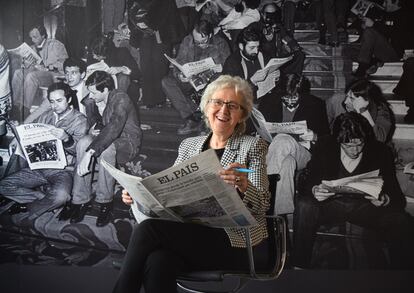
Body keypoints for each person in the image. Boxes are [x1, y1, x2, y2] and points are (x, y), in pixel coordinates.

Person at [112, 75, 271, 293]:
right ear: (206, 108)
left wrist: (245, 187)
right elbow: (168, 199)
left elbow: (263, 205)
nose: (223, 111)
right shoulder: (189, 145)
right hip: (190, 239)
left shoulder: (253, 147)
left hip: (236, 243)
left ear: (242, 114)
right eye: (217, 102)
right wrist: (137, 199)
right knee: (158, 260)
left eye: (232, 105)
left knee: (149, 229)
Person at [293, 112, 414, 269]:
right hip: (330, 205)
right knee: (304, 205)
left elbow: (397, 197)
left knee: (401, 221)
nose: (355, 150)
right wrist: (315, 190)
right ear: (338, 141)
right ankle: (298, 266)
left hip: (365, 207)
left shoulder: (380, 151)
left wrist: (384, 199)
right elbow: (306, 183)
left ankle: (401, 275)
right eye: (348, 146)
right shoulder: (325, 145)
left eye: (360, 144)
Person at [58, 71, 142, 227]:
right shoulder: (90, 101)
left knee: (106, 148)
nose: (90, 96)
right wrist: (91, 131)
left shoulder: (121, 98)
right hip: (105, 137)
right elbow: (94, 124)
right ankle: (80, 199)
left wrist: (90, 153)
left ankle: (105, 201)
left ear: (106, 90)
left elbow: (115, 126)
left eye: (94, 92)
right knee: (83, 142)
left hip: (127, 142)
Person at [0, 82, 88, 224]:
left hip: (63, 171)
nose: (55, 106)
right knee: (3, 185)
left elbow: (80, 153)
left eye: (59, 101)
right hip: (39, 167)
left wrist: (67, 139)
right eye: (52, 102)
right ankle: (43, 197)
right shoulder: (46, 116)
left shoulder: (80, 121)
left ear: (69, 99)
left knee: (61, 196)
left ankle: (30, 206)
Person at [257, 74, 330, 215]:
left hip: (303, 153)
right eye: (285, 97)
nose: (290, 101)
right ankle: (278, 216)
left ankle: (261, 195)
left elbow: (327, 139)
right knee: (287, 163)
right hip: (273, 153)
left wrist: (314, 136)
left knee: (283, 139)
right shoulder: (268, 101)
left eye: (295, 97)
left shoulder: (316, 104)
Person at [161, 19, 231, 135]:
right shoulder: (188, 40)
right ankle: (192, 119)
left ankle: (203, 120)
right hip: (190, 81)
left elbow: (230, 68)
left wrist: (222, 67)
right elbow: (179, 63)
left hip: (210, 83)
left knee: (216, 86)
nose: (198, 44)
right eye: (196, 41)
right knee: (166, 82)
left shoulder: (221, 44)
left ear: (210, 35)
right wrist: (180, 74)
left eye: (202, 41)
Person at [10, 25, 68, 120]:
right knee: (18, 73)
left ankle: (25, 109)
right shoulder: (32, 48)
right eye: (31, 37)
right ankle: (16, 107)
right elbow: (29, 66)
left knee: (32, 76)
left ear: (43, 35)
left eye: (35, 37)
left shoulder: (56, 45)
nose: (33, 40)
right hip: (38, 73)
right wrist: (25, 64)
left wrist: (49, 67)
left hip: (54, 75)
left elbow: (65, 64)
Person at [24, 57, 100, 128]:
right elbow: (40, 110)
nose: (69, 77)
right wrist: (23, 126)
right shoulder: (60, 90)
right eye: (67, 73)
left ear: (82, 74)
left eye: (73, 73)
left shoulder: (91, 89)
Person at [259, 1, 305, 75]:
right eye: (268, 14)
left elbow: (288, 39)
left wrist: (293, 47)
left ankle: (294, 79)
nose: (270, 17)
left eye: (273, 14)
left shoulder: (278, 26)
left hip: (279, 60)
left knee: (299, 55)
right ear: (263, 14)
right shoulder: (257, 26)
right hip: (265, 62)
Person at [343, 78, 394, 143]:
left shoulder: (382, 111)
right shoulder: (349, 108)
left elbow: (379, 140)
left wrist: (363, 112)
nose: (345, 102)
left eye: (351, 98)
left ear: (367, 101)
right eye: (346, 96)